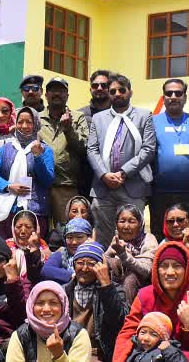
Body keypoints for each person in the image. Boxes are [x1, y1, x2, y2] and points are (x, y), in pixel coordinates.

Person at [86, 74, 158, 246]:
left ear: (130, 92)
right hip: (103, 188)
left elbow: (148, 149)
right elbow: (92, 149)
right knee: (103, 235)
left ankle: (131, 269)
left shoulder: (144, 115)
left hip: (133, 186)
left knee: (132, 235)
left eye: (121, 90)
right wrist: (104, 175)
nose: (117, 94)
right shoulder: (98, 118)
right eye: (113, 91)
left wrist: (124, 172)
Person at [150, 78, 189, 239]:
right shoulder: (152, 122)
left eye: (178, 93)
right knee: (160, 236)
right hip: (160, 194)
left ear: (185, 97)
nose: (173, 96)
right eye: (169, 93)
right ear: (163, 97)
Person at [62, 242, 126, 362]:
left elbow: (121, 321)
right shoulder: (63, 291)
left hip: (96, 355)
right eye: (80, 263)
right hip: (68, 351)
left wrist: (106, 286)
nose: (84, 268)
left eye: (91, 264)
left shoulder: (115, 289)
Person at [0, 106, 56, 236]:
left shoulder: (44, 149)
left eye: (29, 122)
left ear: (36, 124)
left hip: (35, 211)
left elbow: (48, 180)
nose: (24, 126)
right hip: (8, 210)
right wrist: (9, 187)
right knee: (8, 250)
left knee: (32, 250)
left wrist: (38, 157)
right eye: (20, 122)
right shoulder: (6, 148)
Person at [40, 77, 90, 231]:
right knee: (41, 232)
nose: (57, 94)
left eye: (61, 91)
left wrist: (69, 129)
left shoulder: (78, 117)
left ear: (67, 95)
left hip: (66, 187)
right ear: (46, 95)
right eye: (53, 90)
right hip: (41, 188)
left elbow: (85, 148)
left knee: (66, 233)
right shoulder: (36, 118)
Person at [103, 203, 158, 300]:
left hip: (142, 285)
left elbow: (146, 270)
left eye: (132, 221)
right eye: (122, 221)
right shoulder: (117, 240)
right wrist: (109, 254)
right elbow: (104, 262)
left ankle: (126, 313)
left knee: (130, 279)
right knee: (111, 263)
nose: (126, 226)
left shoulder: (148, 239)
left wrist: (123, 255)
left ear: (140, 223)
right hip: (119, 283)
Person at [76, 69, 114, 201]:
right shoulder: (79, 115)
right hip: (84, 182)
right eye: (95, 85)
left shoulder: (119, 115)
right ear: (90, 89)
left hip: (113, 180)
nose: (99, 88)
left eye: (104, 85)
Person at [41, 217, 92, 285]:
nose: (74, 242)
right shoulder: (62, 253)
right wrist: (72, 275)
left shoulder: (95, 254)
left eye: (79, 237)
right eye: (69, 237)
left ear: (89, 238)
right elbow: (46, 270)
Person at [5, 209, 52, 282]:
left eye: (28, 227)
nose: (23, 231)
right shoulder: (6, 246)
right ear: (13, 228)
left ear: (36, 229)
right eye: (18, 227)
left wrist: (34, 250)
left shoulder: (42, 246)